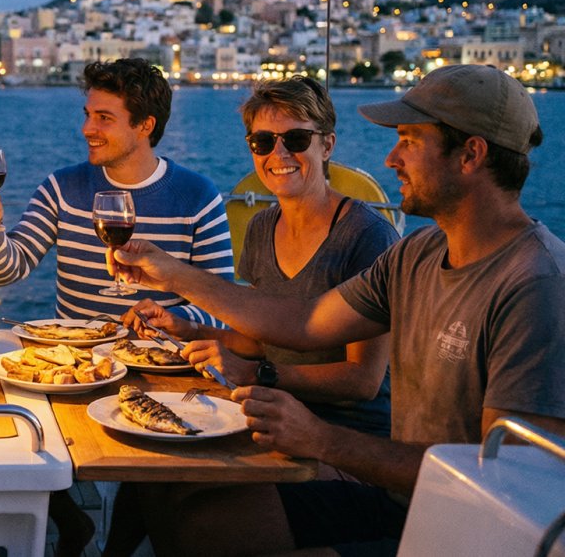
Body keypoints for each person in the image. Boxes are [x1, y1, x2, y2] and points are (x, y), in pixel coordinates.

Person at [112, 64, 565, 556]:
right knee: (171, 493)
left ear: (470, 154)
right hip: (397, 493)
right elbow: (306, 322)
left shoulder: (536, 285)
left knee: (206, 523)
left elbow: (509, 485)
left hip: (459, 529)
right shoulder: (418, 254)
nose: (391, 158)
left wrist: (322, 439)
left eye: (410, 140)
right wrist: (170, 273)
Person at [102, 77, 397, 556]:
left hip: (344, 442)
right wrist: (189, 329)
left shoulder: (367, 236)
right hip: (268, 416)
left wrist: (259, 375)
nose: (278, 153)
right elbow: (261, 340)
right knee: (150, 476)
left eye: (295, 139)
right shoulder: (262, 226)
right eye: (262, 141)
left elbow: (363, 380)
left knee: (198, 514)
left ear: (327, 145)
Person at [0, 57, 233, 326]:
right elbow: (5, 272)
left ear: (145, 125)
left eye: (104, 118)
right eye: (88, 115)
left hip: (158, 352)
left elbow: (224, 307)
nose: (87, 129)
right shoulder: (61, 188)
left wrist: (170, 319)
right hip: (72, 352)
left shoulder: (198, 197)